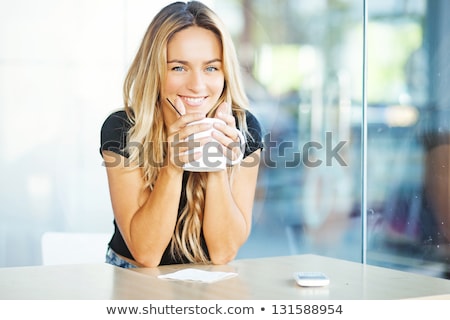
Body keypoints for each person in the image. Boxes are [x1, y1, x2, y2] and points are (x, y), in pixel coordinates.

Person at [100, 1, 264, 268]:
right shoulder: (122, 129)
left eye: (211, 68)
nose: (197, 86)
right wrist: (173, 165)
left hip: (208, 280)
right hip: (134, 278)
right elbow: (147, 255)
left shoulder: (244, 129)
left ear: (225, 72)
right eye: (178, 67)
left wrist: (216, 161)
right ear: (155, 70)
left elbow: (223, 253)